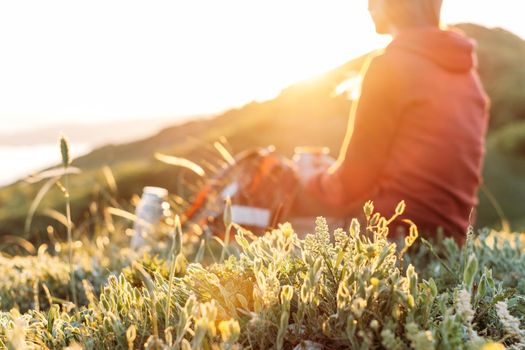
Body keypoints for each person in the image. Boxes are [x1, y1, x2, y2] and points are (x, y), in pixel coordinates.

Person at [302, 0, 490, 242]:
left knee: (276, 211)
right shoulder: (470, 78)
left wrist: (309, 177)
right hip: (452, 238)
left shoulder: (388, 65)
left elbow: (352, 183)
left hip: (392, 230)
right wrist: (330, 172)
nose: (368, 7)